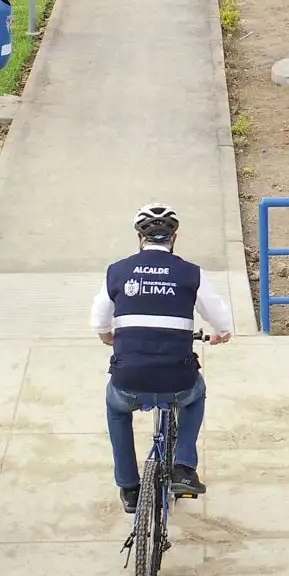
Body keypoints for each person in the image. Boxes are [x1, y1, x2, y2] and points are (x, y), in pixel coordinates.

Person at [92, 205, 233, 515]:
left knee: (117, 409)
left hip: (129, 378)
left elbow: (99, 320)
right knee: (195, 396)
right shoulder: (191, 273)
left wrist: (107, 336)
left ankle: (129, 487)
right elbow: (221, 317)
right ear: (175, 238)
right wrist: (222, 333)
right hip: (177, 379)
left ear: (139, 238)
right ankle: (183, 465)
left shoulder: (117, 271)